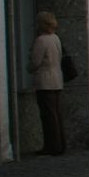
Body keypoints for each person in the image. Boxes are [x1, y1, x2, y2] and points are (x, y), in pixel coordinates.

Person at [30, 11, 66, 156]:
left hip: (45, 81)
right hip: (57, 80)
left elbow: (35, 62)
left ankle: (52, 146)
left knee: (48, 115)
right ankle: (60, 144)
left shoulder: (41, 40)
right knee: (56, 114)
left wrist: (28, 67)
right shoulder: (55, 38)